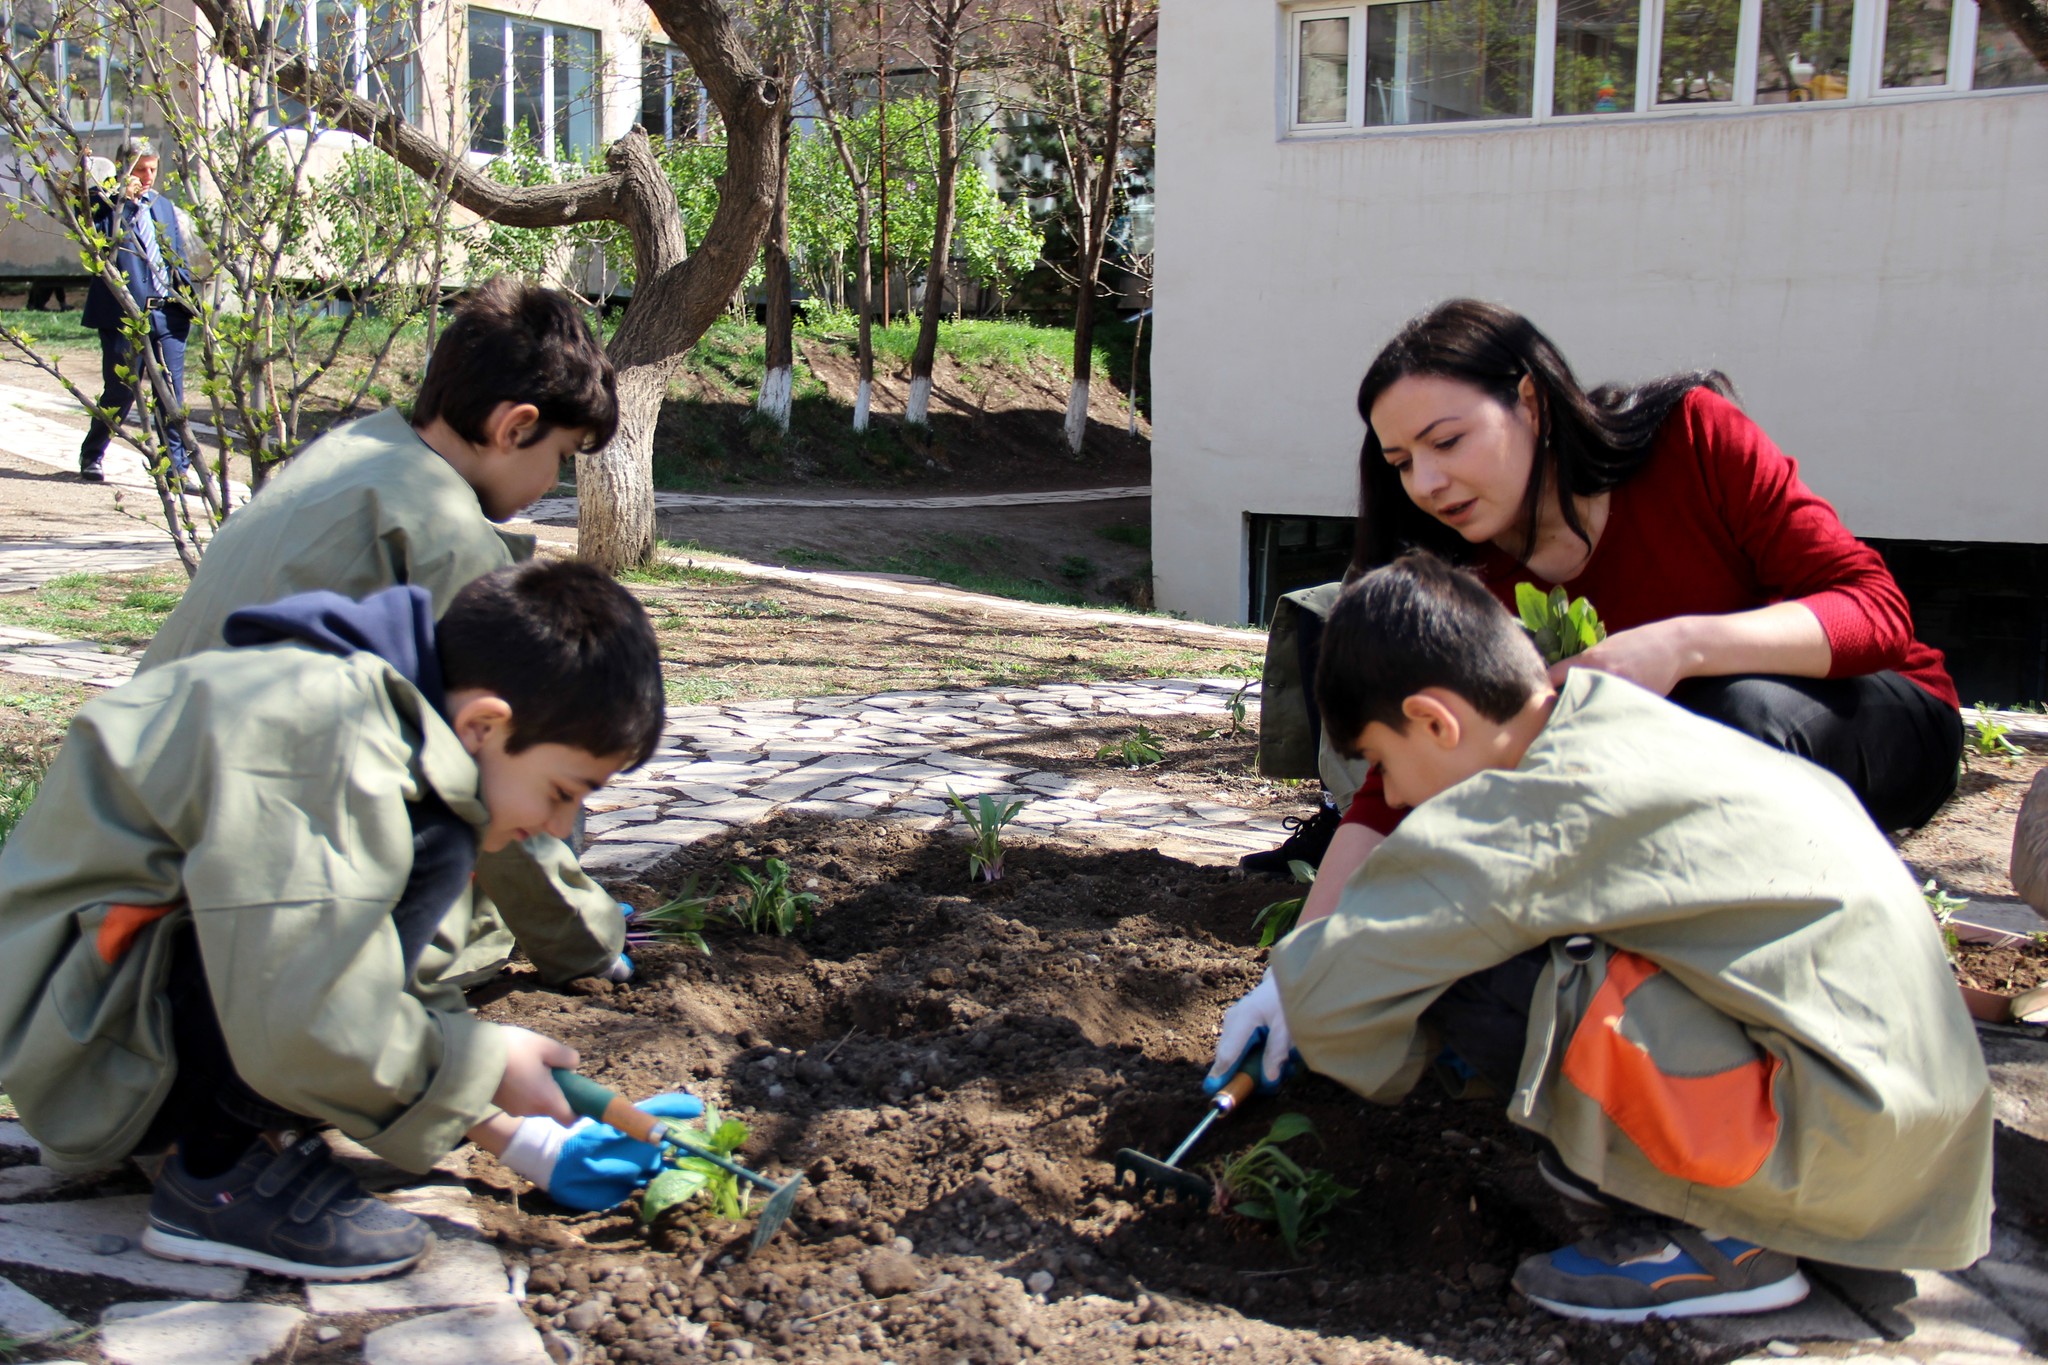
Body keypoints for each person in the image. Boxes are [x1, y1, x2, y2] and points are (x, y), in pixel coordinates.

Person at [1215, 553, 1991, 1322]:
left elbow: (1348, 991)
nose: (1399, 795)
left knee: (1487, 973)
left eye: (1383, 763)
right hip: (1915, 1144)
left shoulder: (1537, 802)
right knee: (1534, 952)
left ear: (1434, 721)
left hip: (1839, 1145)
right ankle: (1739, 1192)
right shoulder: (1619, 727)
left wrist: (1300, 993)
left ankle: (1722, 1238)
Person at [0, 561, 697, 1279]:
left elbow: (379, 979)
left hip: (104, 1002)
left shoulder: (381, 727)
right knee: (432, 851)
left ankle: (231, 1137)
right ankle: (219, 1175)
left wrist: (527, 1141)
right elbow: (303, 1006)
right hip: (83, 1039)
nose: (556, 825)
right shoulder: (328, 743)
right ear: (485, 724)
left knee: (425, 858)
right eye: (561, 792)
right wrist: (480, 1061)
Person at [1244, 298, 1961, 915]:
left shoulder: (1693, 437)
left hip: (1868, 722)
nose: (1428, 482)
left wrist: (1678, 647)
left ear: (1529, 401)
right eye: (1402, 462)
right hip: (1670, 793)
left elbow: (1875, 612)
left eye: (1447, 441)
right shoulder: (1464, 577)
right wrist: (1306, 960)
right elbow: (1398, 771)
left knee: (1733, 712)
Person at [139, 276, 631, 991]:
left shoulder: (347, 454)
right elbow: (489, 776)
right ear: (515, 427)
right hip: (231, 910)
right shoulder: (443, 535)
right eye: (560, 457)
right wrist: (586, 939)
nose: (553, 482)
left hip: (148, 839)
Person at [79, 143, 197, 490]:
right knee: (121, 390)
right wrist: (119, 201)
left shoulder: (163, 206)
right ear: (122, 169)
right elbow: (92, 233)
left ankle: (177, 469)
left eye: (152, 169)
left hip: (168, 314)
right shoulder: (106, 207)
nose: (147, 177)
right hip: (124, 315)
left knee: (171, 396)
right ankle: (93, 453)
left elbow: (175, 255)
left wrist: (186, 297)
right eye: (140, 170)